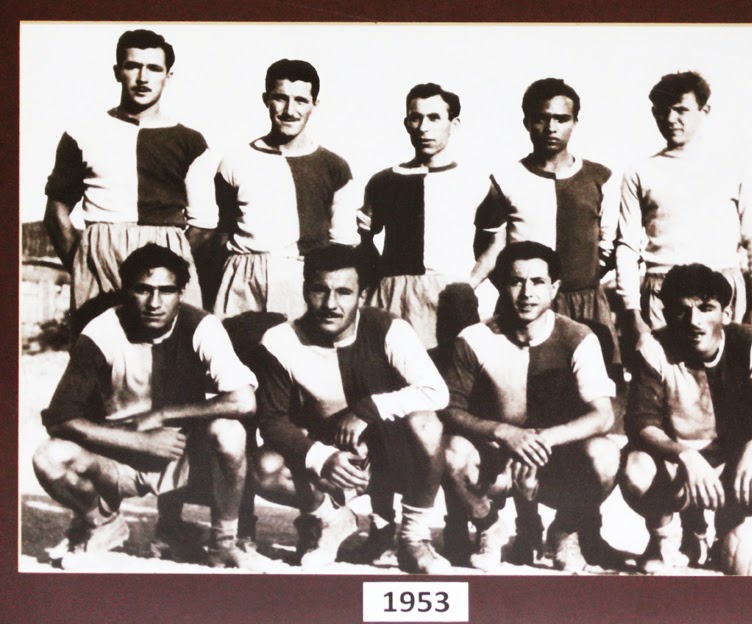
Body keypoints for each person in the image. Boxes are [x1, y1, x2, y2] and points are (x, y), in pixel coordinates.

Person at [32, 244, 268, 571]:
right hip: (119, 456)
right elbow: (60, 419)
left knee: (230, 432)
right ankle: (100, 523)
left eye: (166, 291)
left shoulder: (201, 326)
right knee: (48, 456)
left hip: (181, 456)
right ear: (126, 291)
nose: (155, 302)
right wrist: (140, 440)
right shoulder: (101, 331)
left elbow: (243, 400)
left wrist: (163, 415)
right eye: (143, 289)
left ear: (181, 293)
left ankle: (223, 542)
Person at [253, 244, 451, 573]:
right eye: (320, 290)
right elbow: (272, 421)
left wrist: (367, 409)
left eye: (344, 292)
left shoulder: (389, 328)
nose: (331, 304)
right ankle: (331, 518)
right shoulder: (280, 340)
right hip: (331, 457)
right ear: (305, 290)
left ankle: (413, 535)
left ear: (363, 295)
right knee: (264, 467)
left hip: (391, 455)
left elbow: (436, 392)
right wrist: (322, 456)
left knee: (427, 425)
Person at [620, 263, 752, 573]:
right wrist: (686, 455)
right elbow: (641, 424)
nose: (694, 321)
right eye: (682, 311)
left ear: (727, 312)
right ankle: (666, 539)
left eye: (706, 308)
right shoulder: (654, 348)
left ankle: (742, 535)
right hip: (680, 471)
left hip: (736, 468)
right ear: (667, 315)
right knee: (636, 467)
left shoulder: (748, 343)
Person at [442, 242, 620, 572]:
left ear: (554, 287)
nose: (527, 293)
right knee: (451, 451)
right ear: (500, 285)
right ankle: (489, 526)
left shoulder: (579, 337)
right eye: (516, 281)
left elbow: (603, 415)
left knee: (606, 456)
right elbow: (449, 409)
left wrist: (544, 439)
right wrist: (502, 432)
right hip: (495, 460)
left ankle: (563, 531)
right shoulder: (475, 338)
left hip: (553, 462)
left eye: (538, 282)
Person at [43, 29, 217, 316]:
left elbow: (204, 225)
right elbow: (56, 212)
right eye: (133, 66)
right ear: (117, 72)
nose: (143, 78)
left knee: (172, 342)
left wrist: (172, 264)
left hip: (165, 258)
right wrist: (83, 262)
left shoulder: (190, 141)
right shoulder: (82, 134)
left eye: (154, 68)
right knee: (99, 340)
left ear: (168, 75)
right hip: (100, 255)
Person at [615, 71, 752, 349]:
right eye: (663, 110)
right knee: (665, 372)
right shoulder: (639, 171)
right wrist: (632, 314)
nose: (670, 118)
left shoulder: (733, 166)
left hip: (722, 288)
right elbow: (627, 247)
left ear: (704, 110)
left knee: (726, 371)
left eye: (681, 110)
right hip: (662, 291)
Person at [477, 78, 621, 374]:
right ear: (527, 123)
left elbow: (610, 244)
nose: (551, 127)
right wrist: (518, 288)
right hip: (524, 305)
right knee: (517, 382)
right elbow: (487, 246)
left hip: (585, 304)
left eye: (561, 119)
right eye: (541, 119)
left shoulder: (600, 177)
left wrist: (583, 279)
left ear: (575, 122)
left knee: (593, 385)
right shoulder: (505, 180)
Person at [358, 83, 504, 350]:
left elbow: (497, 240)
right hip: (394, 297)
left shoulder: (475, 181)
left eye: (434, 118)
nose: (424, 127)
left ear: (453, 123)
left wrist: (469, 283)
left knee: (453, 367)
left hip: (450, 298)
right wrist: (379, 285)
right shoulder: (383, 181)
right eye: (416, 118)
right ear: (407, 123)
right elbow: (363, 239)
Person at [213, 59, 360, 320]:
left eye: (301, 101)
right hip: (242, 277)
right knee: (235, 341)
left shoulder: (334, 166)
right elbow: (221, 232)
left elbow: (343, 242)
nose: (290, 110)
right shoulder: (235, 161)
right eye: (280, 98)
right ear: (266, 100)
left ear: (315, 103)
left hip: (301, 278)